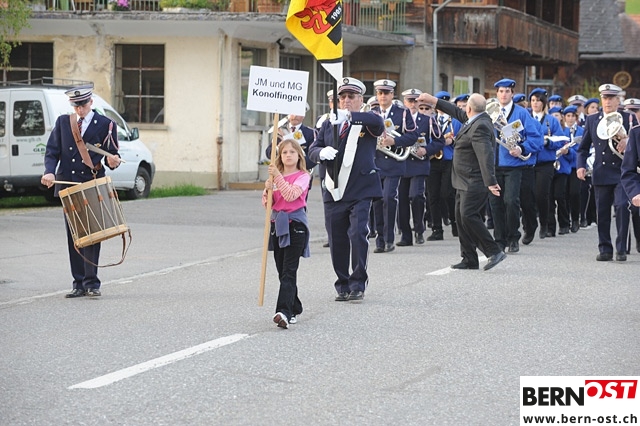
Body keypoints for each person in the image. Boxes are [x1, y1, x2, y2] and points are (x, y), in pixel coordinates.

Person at [41, 84, 121, 298]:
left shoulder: (105, 124)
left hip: (91, 183)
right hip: (68, 184)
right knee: (74, 234)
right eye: (76, 106)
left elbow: (112, 155)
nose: (80, 109)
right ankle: (78, 283)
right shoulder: (63, 123)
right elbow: (52, 151)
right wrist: (49, 172)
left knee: (93, 233)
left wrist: (113, 161)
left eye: (83, 105)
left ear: (91, 102)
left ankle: (92, 282)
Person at [308, 77, 384, 303]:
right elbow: (313, 148)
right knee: (336, 237)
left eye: (351, 96)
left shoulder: (366, 120)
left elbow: (378, 124)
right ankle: (342, 284)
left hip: (360, 189)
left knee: (358, 233)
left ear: (361, 99)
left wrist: (351, 117)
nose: (346, 100)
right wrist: (320, 153)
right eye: (342, 97)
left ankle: (358, 283)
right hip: (334, 189)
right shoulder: (328, 124)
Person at [416, 92, 507, 271]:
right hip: (463, 180)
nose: (462, 110)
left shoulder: (480, 126)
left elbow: (486, 155)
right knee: (460, 217)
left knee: (468, 215)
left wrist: (490, 181)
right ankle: (469, 258)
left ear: (469, 108)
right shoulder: (475, 119)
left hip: (474, 180)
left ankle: (494, 251)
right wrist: (433, 101)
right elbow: (454, 111)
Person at [577, 84, 633, 261]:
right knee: (602, 213)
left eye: (611, 98)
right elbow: (583, 148)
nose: (607, 102)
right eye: (605, 98)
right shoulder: (592, 119)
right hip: (601, 172)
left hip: (623, 172)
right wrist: (580, 166)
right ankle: (605, 249)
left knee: (622, 207)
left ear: (618, 100)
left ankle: (621, 248)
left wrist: (629, 141)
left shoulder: (628, 118)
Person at [489, 78, 543, 253]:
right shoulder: (489, 112)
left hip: (513, 165)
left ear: (512, 93)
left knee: (511, 201)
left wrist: (521, 148)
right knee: (495, 204)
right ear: (497, 93)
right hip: (493, 165)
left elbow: (536, 138)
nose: (504, 94)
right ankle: (499, 239)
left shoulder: (521, 113)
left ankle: (513, 237)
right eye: (501, 91)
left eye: (507, 91)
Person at [262, 137, 311, 329]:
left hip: (295, 226)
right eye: (284, 152)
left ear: (299, 155)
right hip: (277, 225)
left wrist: (278, 178)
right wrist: (267, 191)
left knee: (289, 270)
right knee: (282, 271)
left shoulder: (303, 176)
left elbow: (291, 195)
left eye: (292, 152)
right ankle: (294, 306)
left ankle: (283, 311)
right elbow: (268, 204)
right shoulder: (275, 178)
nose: (288, 155)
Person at [371, 79, 418, 253]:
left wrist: (394, 141)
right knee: (377, 201)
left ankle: (389, 238)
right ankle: (380, 240)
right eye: (380, 93)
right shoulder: (371, 113)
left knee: (388, 198)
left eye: (386, 93)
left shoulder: (403, 113)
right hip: (375, 163)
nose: (383, 96)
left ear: (392, 95)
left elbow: (413, 136)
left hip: (393, 163)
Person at [397, 88, 444, 246]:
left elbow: (439, 141)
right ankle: (406, 235)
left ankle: (419, 228)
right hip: (401, 162)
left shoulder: (427, 120)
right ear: (405, 102)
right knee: (402, 200)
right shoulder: (399, 119)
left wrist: (427, 150)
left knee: (416, 195)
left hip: (419, 163)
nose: (412, 104)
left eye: (415, 101)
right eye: (409, 101)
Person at [521, 88, 566, 243]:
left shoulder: (551, 120)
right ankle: (527, 226)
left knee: (541, 195)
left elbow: (561, 139)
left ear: (544, 103)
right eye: (533, 100)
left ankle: (545, 224)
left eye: (539, 100)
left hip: (545, 163)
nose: (535, 103)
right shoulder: (525, 118)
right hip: (528, 161)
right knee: (527, 196)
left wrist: (548, 142)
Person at [427, 91, 459, 241]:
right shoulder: (430, 120)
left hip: (449, 159)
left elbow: (463, 137)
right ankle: (437, 229)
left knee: (447, 194)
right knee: (432, 195)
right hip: (433, 160)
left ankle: (455, 222)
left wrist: (452, 141)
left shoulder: (455, 121)